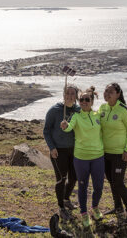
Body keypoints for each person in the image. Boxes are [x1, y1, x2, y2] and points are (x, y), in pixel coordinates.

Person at [60, 87, 104, 227]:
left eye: (87, 99)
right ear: (79, 101)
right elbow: (69, 127)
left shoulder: (98, 115)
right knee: (82, 185)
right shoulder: (76, 116)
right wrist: (65, 126)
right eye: (81, 100)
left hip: (98, 156)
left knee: (99, 186)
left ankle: (95, 207)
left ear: (91, 101)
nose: (84, 102)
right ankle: (84, 213)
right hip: (81, 158)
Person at [99, 82, 127, 225]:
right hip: (104, 153)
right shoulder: (102, 108)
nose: (107, 93)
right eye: (105, 91)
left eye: (110, 91)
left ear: (118, 94)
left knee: (118, 182)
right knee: (111, 182)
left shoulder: (124, 110)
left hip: (119, 154)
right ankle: (118, 207)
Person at [43, 84, 80, 221]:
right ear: (63, 94)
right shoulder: (55, 110)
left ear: (76, 96)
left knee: (74, 177)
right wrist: (52, 148)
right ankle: (61, 207)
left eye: (73, 94)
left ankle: (65, 198)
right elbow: (46, 130)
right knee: (61, 179)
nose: (70, 96)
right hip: (58, 151)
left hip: (75, 150)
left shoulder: (78, 110)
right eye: (67, 93)